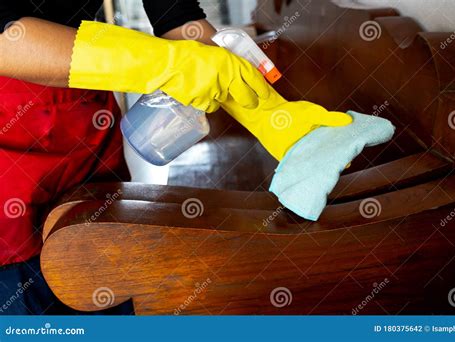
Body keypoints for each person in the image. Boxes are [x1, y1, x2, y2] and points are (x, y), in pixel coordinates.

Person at [0, 0, 351, 315]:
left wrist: (274, 116)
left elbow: (177, 18)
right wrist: (173, 64)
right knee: (25, 297)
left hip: (81, 116)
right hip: (9, 141)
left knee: (104, 269)